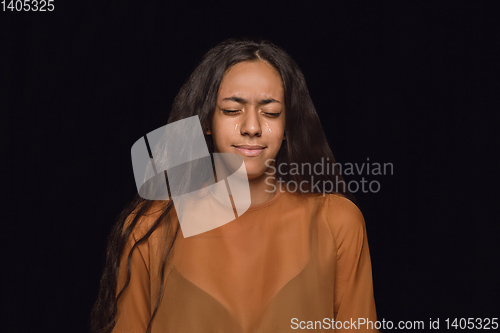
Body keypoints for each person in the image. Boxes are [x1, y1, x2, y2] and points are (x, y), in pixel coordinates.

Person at [91, 38, 378, 333]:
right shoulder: (152, 227)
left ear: (288, 125)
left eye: (271, 112)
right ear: (206, 120)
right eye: (231, 110)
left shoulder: (337, 222)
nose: (251, 127)